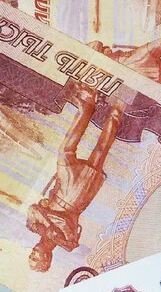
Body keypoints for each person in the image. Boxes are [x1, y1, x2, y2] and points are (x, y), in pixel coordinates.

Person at [26, 85, 125, 272]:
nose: (32, 253)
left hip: (61, 189)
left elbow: (33, 209)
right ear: (46, 258)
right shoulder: (68, 242)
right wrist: (48, 223)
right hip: (75, 198)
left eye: (29, 256)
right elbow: (65, 222)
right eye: (35, 258)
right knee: (99, 153)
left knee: (64, 152)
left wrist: (47, 225)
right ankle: (118, 110)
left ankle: (87, 106)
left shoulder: (34, 227)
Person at [88, 37, 161, 84]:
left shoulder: (81, 53)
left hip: (130, 58)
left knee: (160, 44)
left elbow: (97, 44)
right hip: (129, 70)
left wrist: (103, 50)